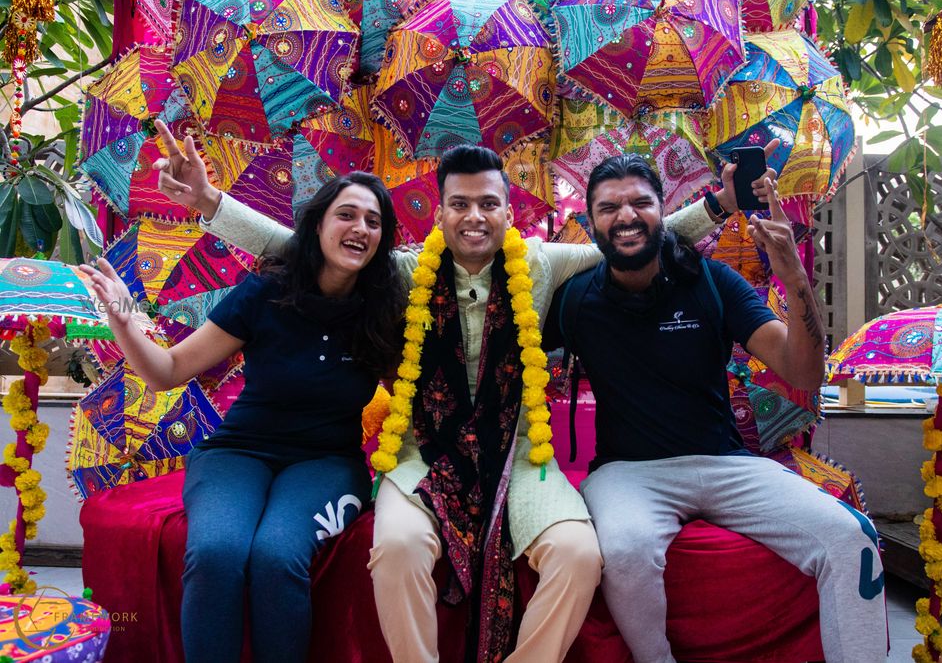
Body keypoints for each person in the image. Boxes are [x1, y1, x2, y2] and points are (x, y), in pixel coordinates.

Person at [151, 120, 730, 661]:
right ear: (441, 213)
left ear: (508, 211)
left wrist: (718, 206)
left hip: (521, 457)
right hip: (423, 456)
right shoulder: (403, 273)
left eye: (487, 204)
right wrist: (209, 204)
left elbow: (632, 236)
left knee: (578, 556)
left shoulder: (542, 261)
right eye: (459, 204)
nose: (473, 217)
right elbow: (302, 246)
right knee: (397, 553)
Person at [545, 151, 888, 663]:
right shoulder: (573, 299)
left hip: (726, 464)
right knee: (624, 550)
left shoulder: (710, 281)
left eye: (641, 202)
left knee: (850, 535)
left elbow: (804, 374)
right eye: (608, 207)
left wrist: (794, 278)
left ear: (664, 213)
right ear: (591, 223)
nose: (626, 216)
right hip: (627, 473)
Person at [81, 171, 407, 663]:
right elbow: (167, 371)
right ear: (317, 225)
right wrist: (124, 323)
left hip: (327, 465)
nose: (360, 227)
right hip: (236, 455)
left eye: (373, 221)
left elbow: (425, 393)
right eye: (346, 214)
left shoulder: (385, 311)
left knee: (277, 557)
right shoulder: (265, 293)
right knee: (216, 554)